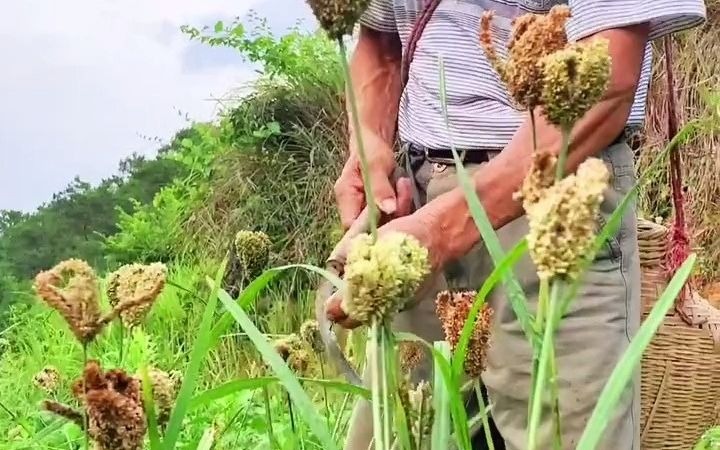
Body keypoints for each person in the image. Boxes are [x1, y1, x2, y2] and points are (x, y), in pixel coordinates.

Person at [325, 1, 707, 449]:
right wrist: (367, 148)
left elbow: (610, 72)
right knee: (409, 434)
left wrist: (444, 229)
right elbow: (380, 40)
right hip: (416, 198)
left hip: (555, 191)